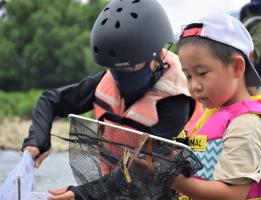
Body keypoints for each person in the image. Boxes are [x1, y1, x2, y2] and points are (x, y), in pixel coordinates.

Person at [21, 0, 201, 199]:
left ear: (155, 57)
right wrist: (38, 140)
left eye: (130, 67)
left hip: (157, 190)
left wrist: (80, 194)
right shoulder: (106, 81)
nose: (121, 76)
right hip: (111, 188)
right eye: (115, 69)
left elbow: (146, 166)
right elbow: (50, 100)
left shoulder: (175, 100)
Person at [165, 13, 261, 199]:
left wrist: (169, 177)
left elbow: (231, 195)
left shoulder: (246, 125)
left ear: (236, 67)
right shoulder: (215, 112)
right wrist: (166, 147)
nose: (194, 86)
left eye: (202, 73)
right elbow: (204, 145)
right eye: (188, 76)